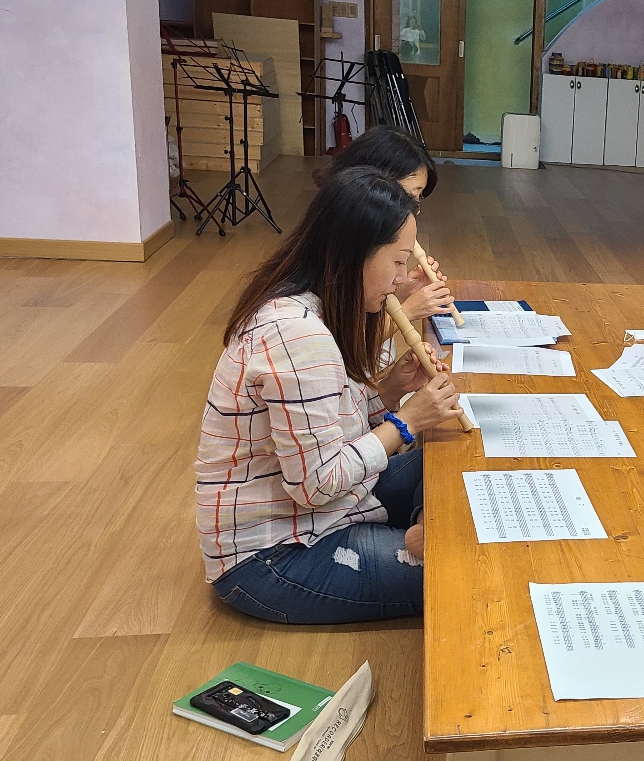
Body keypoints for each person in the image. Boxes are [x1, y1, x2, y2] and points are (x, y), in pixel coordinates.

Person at [195, 167, 462, 625]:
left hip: (337, 506)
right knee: (464, 567)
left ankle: (423, 528)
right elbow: (316, 484)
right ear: (356, 254)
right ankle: (424, 532)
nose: (401, 279)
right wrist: (407, 422)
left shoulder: (312, 304)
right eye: (398, 262)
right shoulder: (299, 335)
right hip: (276, 556)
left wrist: (392, 390)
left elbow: (334, 423)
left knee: (447, 460)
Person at [316, 125, 449, 323]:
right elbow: (346, 339)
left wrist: (397, 291)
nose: (416, 210)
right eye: (410, 197)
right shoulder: (337, 253)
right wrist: (406, 313)